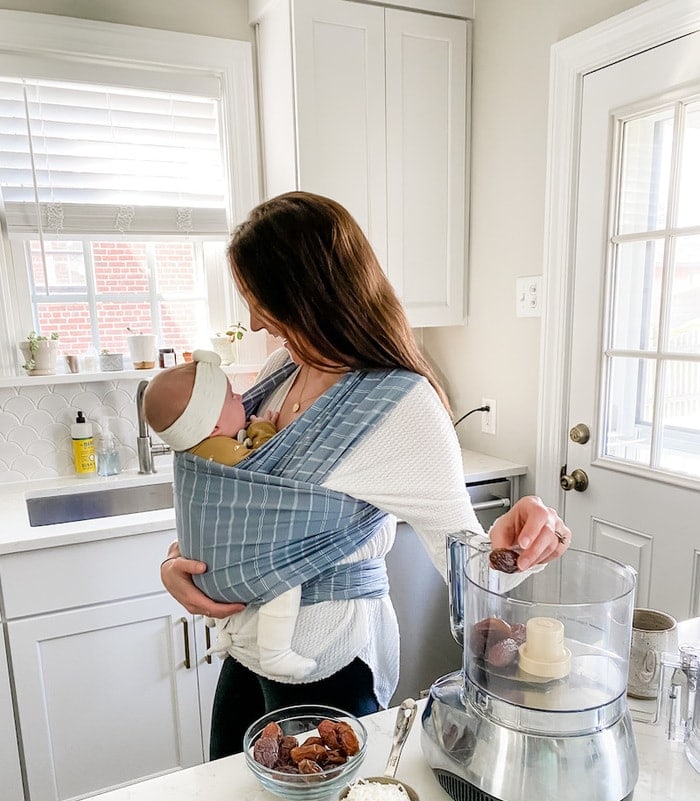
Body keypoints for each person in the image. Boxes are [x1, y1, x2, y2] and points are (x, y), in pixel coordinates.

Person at [159, 190, 572, 760]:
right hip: (247, 648)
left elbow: (470, 564)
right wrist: (180, 564)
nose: (254, 322)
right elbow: (243, 500)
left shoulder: (398, 406)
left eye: (263, 302)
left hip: (325, 660)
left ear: (311, 296)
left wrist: (526, 536)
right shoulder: (283, 369)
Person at [143, 348, 317, 679]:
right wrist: (264, 429)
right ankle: (276, 652)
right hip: (236, 558)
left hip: (205, 561)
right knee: (285, 581)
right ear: (212, 426)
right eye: (230, 396)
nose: (241, 396)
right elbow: (264, 463)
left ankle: (223, 636)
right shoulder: (220, 450)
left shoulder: (200, 449)